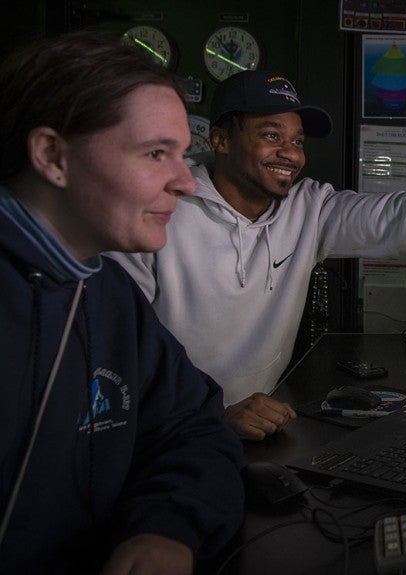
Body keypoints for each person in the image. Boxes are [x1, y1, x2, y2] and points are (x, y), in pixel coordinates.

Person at [108, 70, 406, 442]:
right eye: (272, 135)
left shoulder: (309, 208)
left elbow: (393, 217)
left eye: (297, 141)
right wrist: (210, 413)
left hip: (261, 423)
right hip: (163, 434)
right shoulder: (161, 210)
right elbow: (119, 354)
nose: (289, 154)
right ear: (222, 139)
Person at [0, 31, 244, 574]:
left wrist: (168, 528)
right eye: (156, 153)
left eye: (183, 155)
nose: (185, 182)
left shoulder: (109, 296)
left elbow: (193, 430)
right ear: (52, 156)